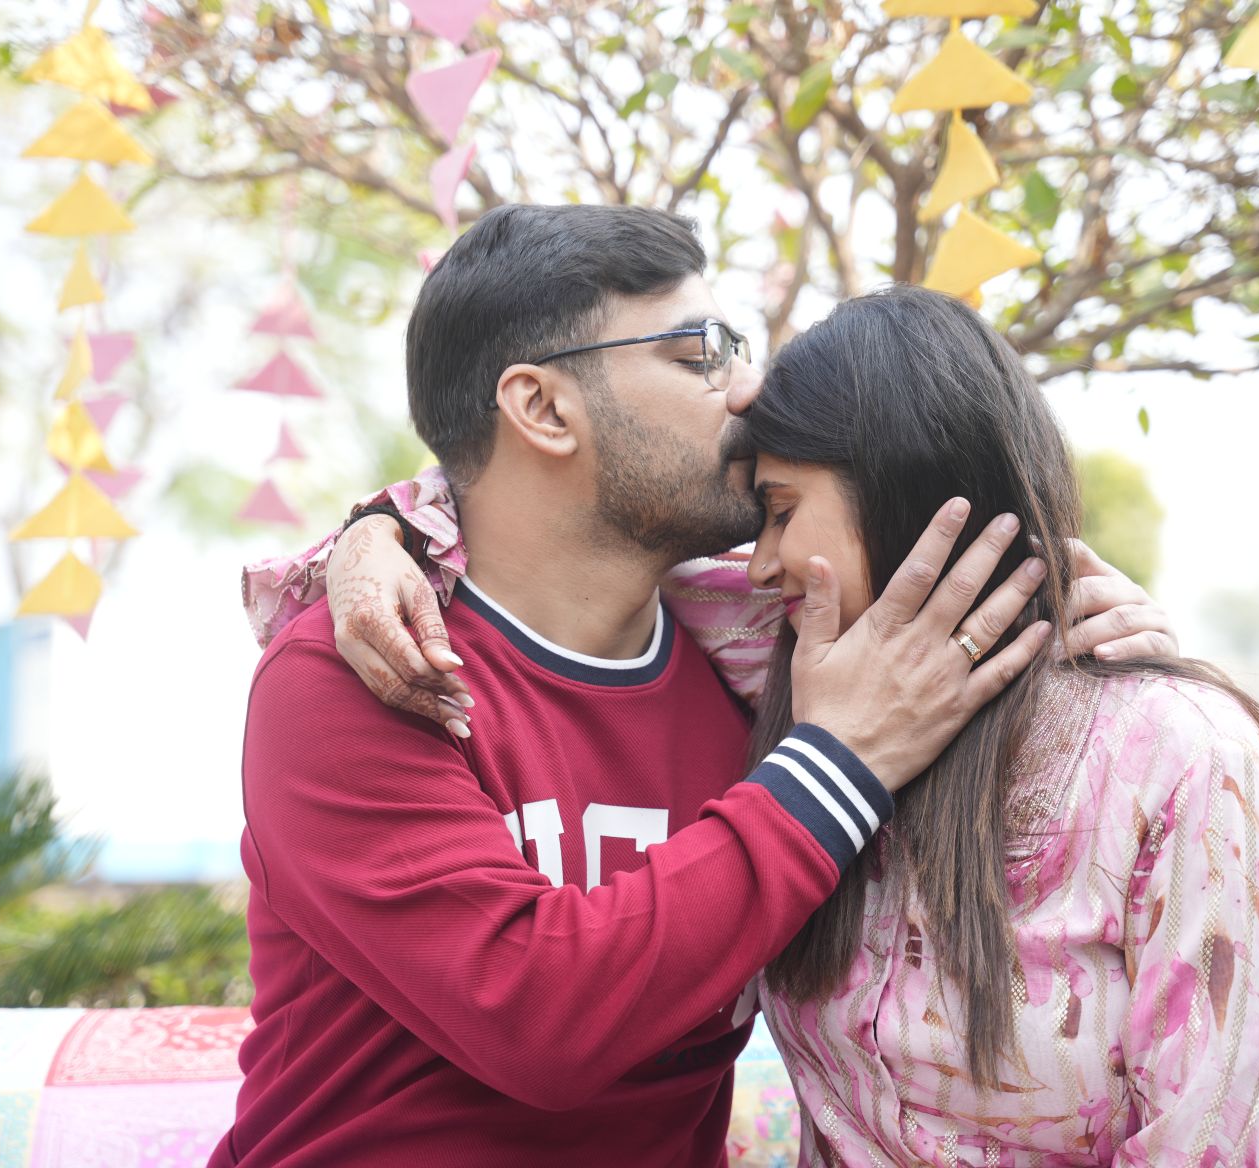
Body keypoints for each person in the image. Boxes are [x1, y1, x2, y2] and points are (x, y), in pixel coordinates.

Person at [220, 205, 1178, 1167]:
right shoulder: (362, 672)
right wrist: (839, 762)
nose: (749, 388)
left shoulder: (759, 651)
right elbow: (534, 1015)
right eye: (699, 354)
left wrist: (1098, 639)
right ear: (543, 408)